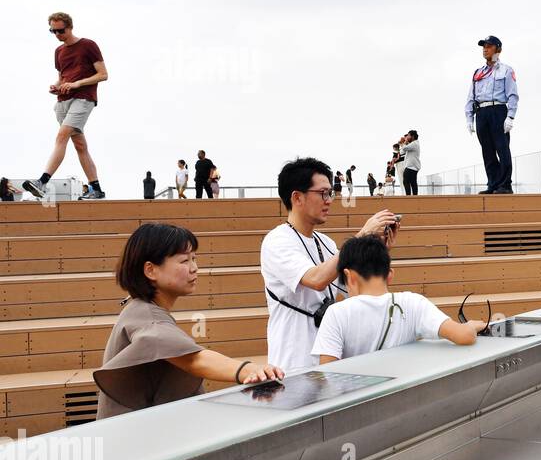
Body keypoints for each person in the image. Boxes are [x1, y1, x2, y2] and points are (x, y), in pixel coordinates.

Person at [94, 223, 283, 419]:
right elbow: (193, 359)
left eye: (195, 259)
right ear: (150, 270)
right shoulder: (147, 316)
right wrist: (248, 370)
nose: (194, 268)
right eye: (184, 261)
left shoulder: (141, 308)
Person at [260, 157, 397, 372]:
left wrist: (378, 249)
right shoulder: (277, 241)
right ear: (297, 197)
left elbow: (359, 288)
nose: (329, 200)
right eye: (323, 193)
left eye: (330, 193)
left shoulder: (326, 242)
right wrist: (361, 236)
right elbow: (316, 279)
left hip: (330, 360)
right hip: (293, 364)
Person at [312, 235, 485, 363]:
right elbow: (463, 336)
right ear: (390, 275)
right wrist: (471, 326)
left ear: (348, 276)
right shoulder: (413, 302)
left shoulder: (336, 313)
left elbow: (327, 372)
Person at [22, 12, 108, 201]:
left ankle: (42, 182)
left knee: (61, 136)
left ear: (70, 27)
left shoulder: (88, 45)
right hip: (63, 101)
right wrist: (57, 86)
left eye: (61, 30)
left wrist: (78, 84)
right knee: (80, 146)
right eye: (53, 31)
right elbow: (62, 77)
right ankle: (96, 189)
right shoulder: (59, 52)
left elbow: (103, 74)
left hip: (83, 98)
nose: (57, 34)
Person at [464, 35, 518, 194]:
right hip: (481, 112)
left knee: (502, 148)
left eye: (489, 46)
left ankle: (505, 184)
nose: (485, 49)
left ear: (498, 49)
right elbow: (470, 97)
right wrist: (469, 118)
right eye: (483, 47)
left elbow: (513, 95)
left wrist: (511, 116)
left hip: (498, 110)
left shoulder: (506, 70)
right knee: (487, 150)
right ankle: (493, 184)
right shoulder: (478, 73)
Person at [401, 130, 421, 195]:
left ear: (412, 136)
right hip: (412, 166)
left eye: (408, 135)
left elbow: (404, 148)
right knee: (413, 182)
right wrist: (405, 143)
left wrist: (404, 142)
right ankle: (414, 197)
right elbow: (402, 152)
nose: (407, 137)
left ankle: (408, 197)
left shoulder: (414, 143)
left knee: (406, 181)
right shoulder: (413, 144)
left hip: (411, 166)